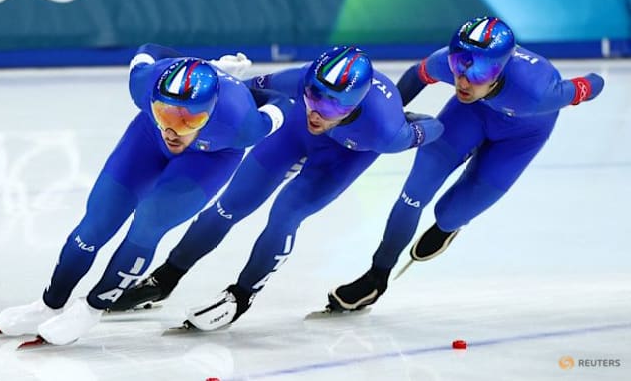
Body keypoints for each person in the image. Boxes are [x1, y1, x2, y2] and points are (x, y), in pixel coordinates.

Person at [109, 45, 445, 330]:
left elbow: (435, 128)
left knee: (286, 214)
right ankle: (166, 278)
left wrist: (415, 121)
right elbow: (245, 92)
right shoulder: (300, 81)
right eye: (314, 96)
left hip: (343, 158)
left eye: (332, 106)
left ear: (355, 106)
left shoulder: (385, 131)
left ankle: (242, 295)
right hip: (292, 133)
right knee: (229, 206)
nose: (317, 110)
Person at [0, 43, 294, 346]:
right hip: (147, 137)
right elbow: (152, 48)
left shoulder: (241, 124)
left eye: (189, 120)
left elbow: (282, 103)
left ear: (210, 112)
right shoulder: (145, 83)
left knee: (148, 223)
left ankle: (91, 308)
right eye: (166, 114)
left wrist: (237, 87)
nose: (173, 129)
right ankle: (50, 304)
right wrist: (201, 66)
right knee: (96, 222)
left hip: (209, 159)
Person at [326, 17, 605, 312]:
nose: (464, 79)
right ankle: (376, 277)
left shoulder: (536, 93)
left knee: (448, 213)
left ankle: (449, 226)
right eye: (460, 63)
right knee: (414, 194)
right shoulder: (447, 67)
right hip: (470, 114)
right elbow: (416, 76)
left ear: (500, 69)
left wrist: (591, 83)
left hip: (521, 137)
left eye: (481, 70)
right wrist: (388, 122)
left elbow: (593, 83)